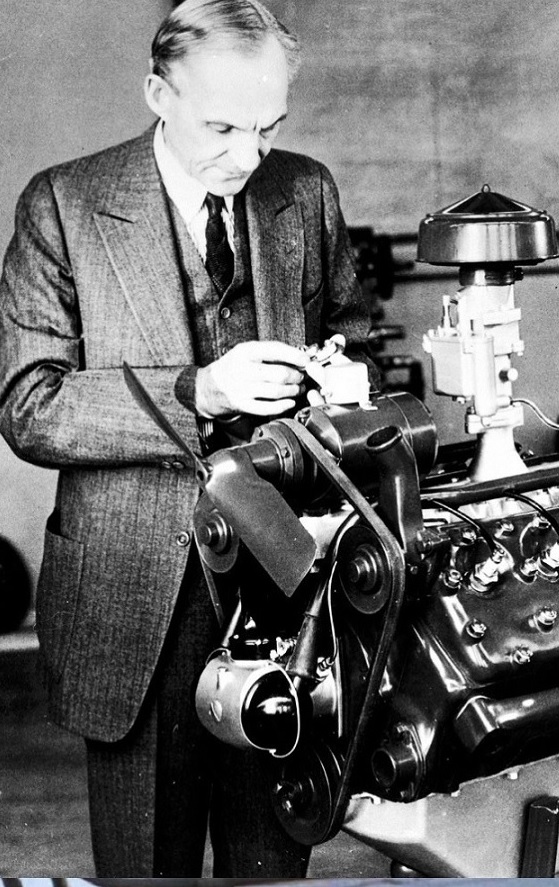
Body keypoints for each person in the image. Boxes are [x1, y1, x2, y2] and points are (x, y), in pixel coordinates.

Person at [0, 0, 373, 876]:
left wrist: (343, 381)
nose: (249, 155)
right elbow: (29, 403)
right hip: (136, 600)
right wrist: (198, 390)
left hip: (287, 595)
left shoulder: (304, 190)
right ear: (156, 94)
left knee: (271, 861)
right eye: (223, 127)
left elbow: (350, 335)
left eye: (269, 126)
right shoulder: (66, 204)